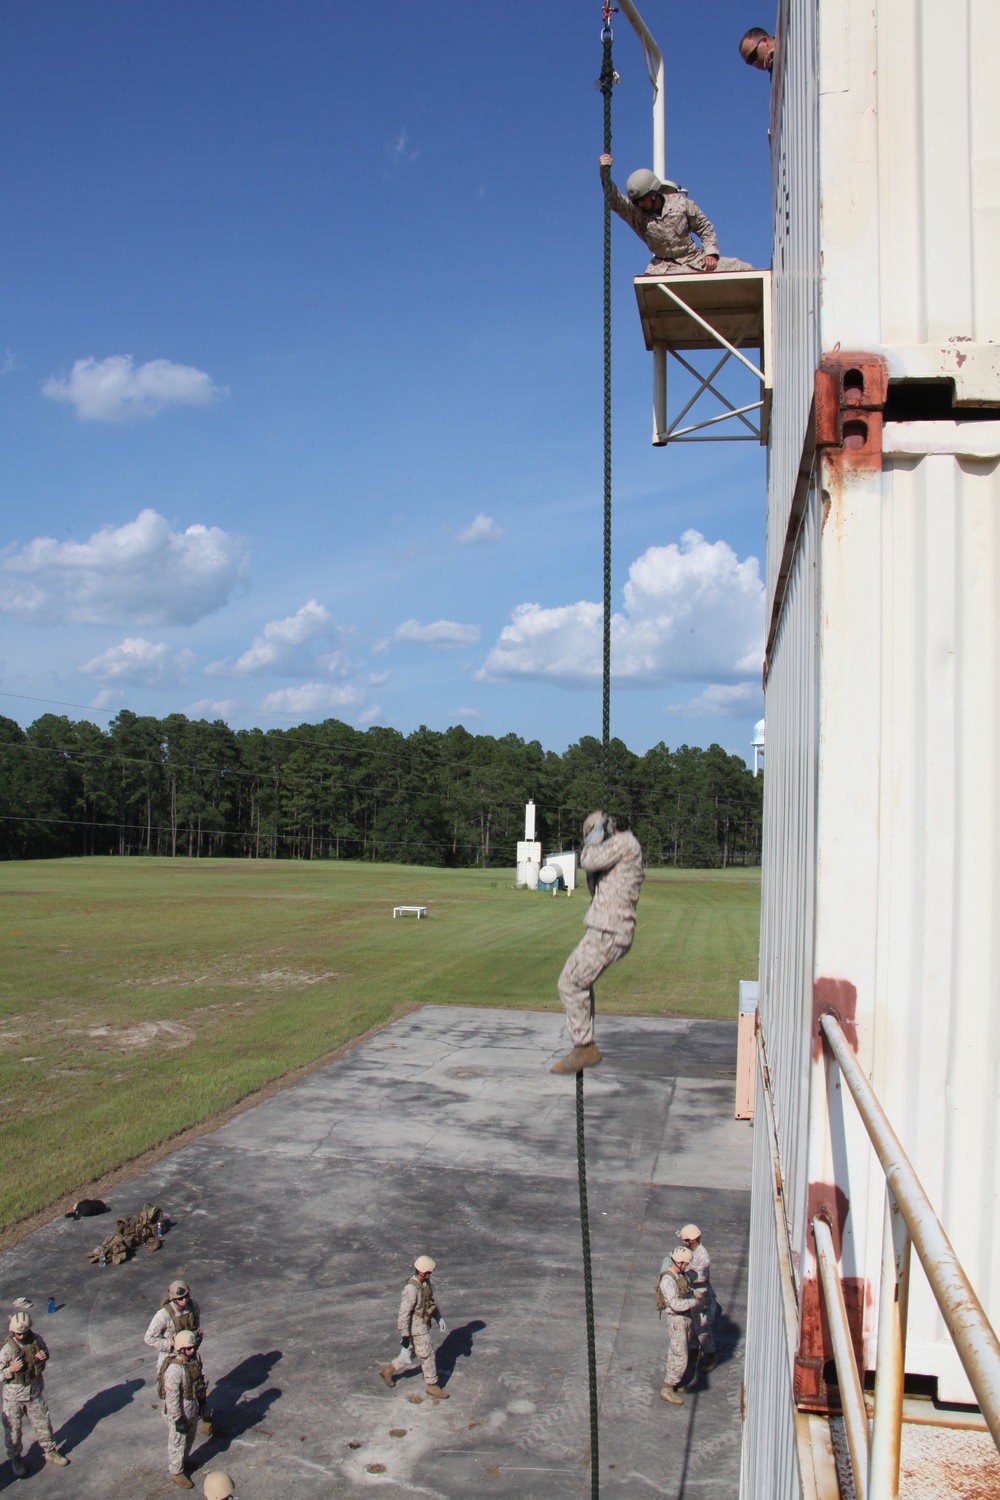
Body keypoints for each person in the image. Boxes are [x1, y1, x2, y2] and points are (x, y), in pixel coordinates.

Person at [552, 812, 644, 1073]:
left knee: (570, 983)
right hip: (608, 928)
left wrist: (592, 841)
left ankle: (584, 1047)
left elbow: (589, 860)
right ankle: (584, 1045)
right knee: (579, 982)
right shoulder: (622, 849)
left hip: (608, 929)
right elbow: (595, 881)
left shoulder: (624, 842)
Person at [599, 155, 752, 276]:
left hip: (695, 260)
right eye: (635, 201)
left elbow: (705, 227)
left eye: (641, 199)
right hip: (662, 269)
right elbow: (615, 200)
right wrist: (604, 173)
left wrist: (710, 253)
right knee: (650, 294)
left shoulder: (681, 203)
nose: (639, 204)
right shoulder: (637, 215)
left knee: (743, 269)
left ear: (653, 194)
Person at [0, 1311, 69, 1474]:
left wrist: (43, 1356)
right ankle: (15, 1459)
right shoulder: (7, 1350)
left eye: (24, 1332)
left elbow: (46, 1352)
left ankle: (50, 1452)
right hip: (14, 1397)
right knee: (13, 1431)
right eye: (18, 1333)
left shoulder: (36, 1340)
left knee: (43, 1424)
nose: (22, 1336)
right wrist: (10, 1369)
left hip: (33, 1392)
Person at [379, 1255, 449, 1399]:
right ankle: (432, 1385)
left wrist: (438, 1317)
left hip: (423, 1323)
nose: (431, 1274)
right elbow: (404, 1315)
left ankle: (388, 1369)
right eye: (430, 1272)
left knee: (412, 1353)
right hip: (416, 1328)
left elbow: (429, 1302)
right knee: (427, 1355)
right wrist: (405, 1336)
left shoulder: (425, 1283)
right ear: (423, 1272)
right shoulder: (411, 1290)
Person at [159, 1329, 208, 1490]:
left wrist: (201, 1403)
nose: (192, 1350)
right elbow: (172, 1398)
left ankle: (184, 1461)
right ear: (180, 1348)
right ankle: (176, 1471)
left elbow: (198, 1384)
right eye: (188, 1348)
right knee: (177, 1442)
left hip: (191, 1406)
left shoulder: (191, 1362)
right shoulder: (174, 1370)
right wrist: (177, 1418)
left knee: (190, 1438)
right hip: (179, 1411)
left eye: (193, 1347)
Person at [657, 1247, 706, 1405]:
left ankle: (674, 1383)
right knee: (680, 1355)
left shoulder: (679, 1275)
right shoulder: (667, 1280)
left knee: (676, 1352)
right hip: (677, 1319)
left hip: (685, 1318)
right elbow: (675, 1304)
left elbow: (684, 1289)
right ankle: (668, 1387)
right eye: (685, 1264)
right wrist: (695, 1302)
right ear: (678, 1262)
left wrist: (694, 1293)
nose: (687, 1267)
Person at [677, 1223, 718, 1371]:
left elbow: (701, 1278)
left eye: (685, 1240)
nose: (684, 1242)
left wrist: (685, 1273)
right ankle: (694, 1352)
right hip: (691, 1292)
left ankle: (711, 1355)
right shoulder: (689, 1251)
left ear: (692, 1240)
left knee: (701, 1327)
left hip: (701, 1294)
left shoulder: (703, 1257)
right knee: (693, 1326)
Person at [145, 1280, 203, 1376]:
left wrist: (197, 1336)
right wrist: (170, 1343)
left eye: (186, 1296)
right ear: (173, 1298)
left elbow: (195, 1325)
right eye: (181, 1298)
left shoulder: (193, 1306)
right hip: (171, 1358)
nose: (185, 1300)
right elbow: (149, 1338)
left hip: (189, 1355)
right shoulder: (163, 1315)